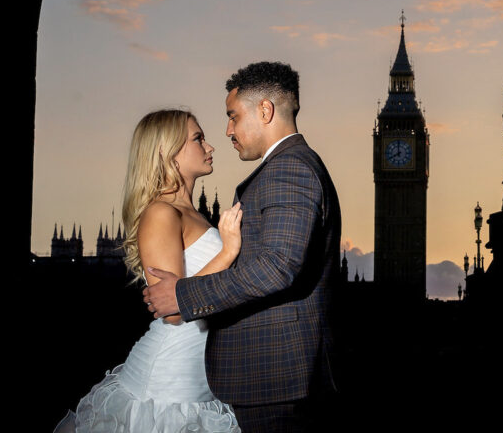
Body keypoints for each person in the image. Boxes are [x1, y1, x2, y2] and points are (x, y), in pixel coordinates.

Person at [143, 62, 342, 433]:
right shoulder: (284, 168)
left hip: (276, 377)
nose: (227, 130)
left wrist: (184, 295)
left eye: (233, 116)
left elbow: (277, 266)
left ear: (264, 111)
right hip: (259, 376)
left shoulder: (289, 169)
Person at [55, 109, 243, 433]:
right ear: (167, 152)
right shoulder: (160, 211)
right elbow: (172, 310)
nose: (210, 146)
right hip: (168, 386)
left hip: (201, 377)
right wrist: (227, 252)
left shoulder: (192, 214)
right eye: (198, 138)